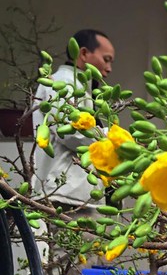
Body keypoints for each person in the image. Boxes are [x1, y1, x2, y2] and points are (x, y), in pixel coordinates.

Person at [33, 29, 115, 206]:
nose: (109, 68)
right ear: (84, 53)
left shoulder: (80, 86)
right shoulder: (63, 83)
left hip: (73, 194)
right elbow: (74, 134)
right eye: (106, 59)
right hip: (65, 196)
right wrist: (116, 138)